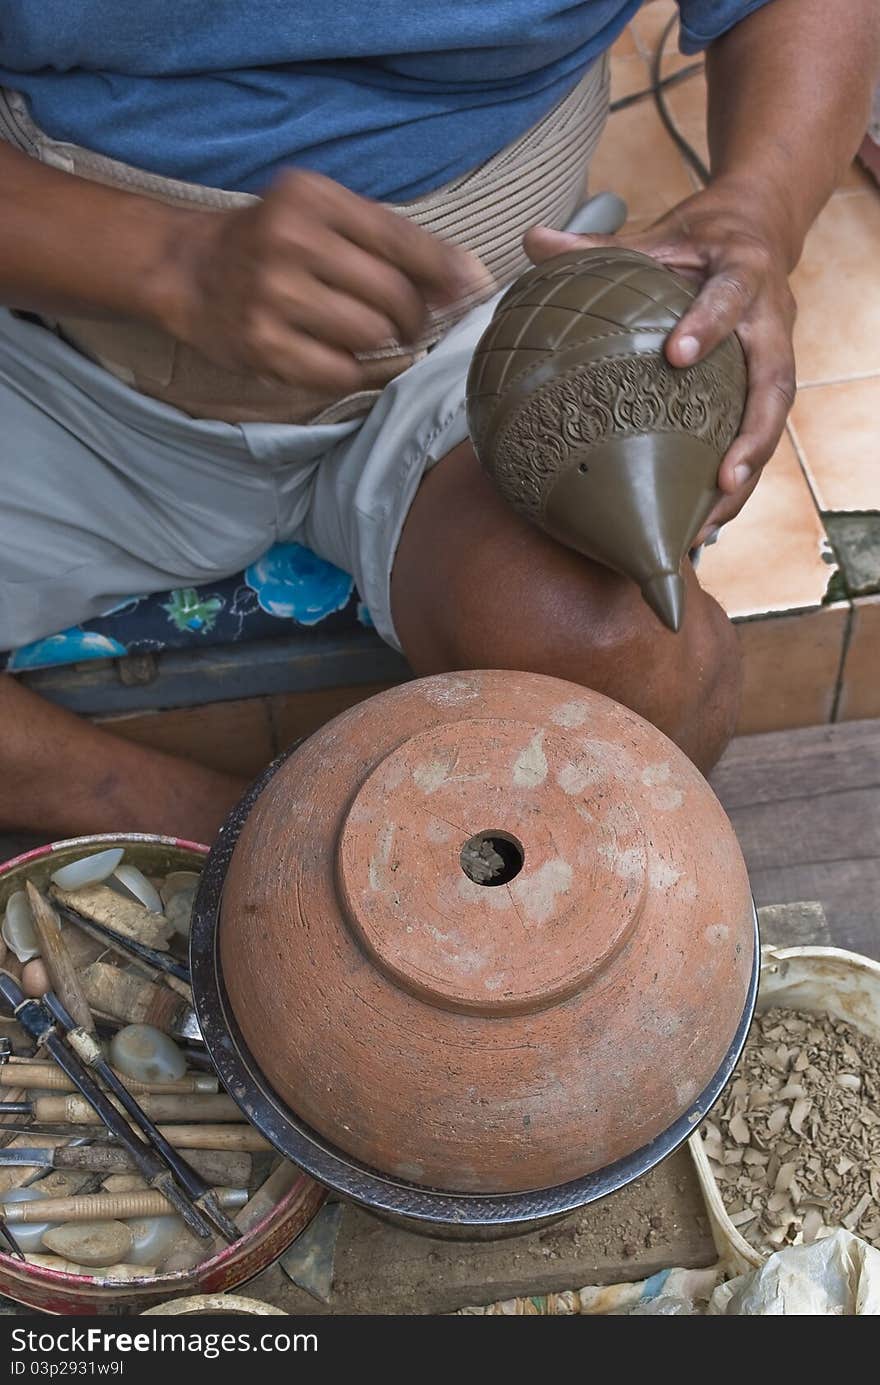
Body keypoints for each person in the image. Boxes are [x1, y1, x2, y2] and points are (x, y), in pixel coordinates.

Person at [0, 1, 877, 842]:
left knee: (625, 659)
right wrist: (165, 256)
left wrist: (760, 205)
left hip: (485, 339)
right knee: (277, 876)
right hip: (63, 356)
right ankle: (222, 828)